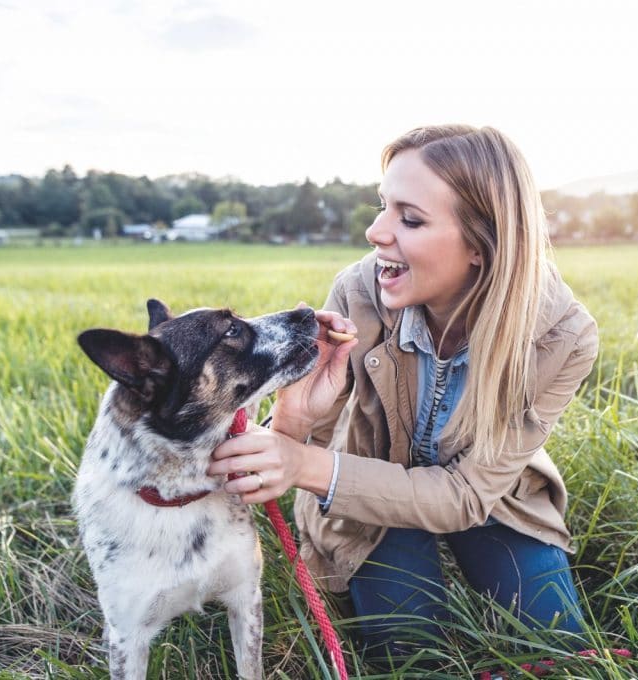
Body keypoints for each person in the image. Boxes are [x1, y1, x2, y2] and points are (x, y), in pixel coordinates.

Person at [208, 124, 599, 660]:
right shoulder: (357, 291)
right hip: (364, 493)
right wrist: (294, 420)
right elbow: (295, 452)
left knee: (555, 644)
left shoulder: (562, 336)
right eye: (382, 206)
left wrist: (301, 464)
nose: (375, 232)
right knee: (413, 652)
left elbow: (467, 493)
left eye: (409, 218)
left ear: (482, 247)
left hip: (492, 497)